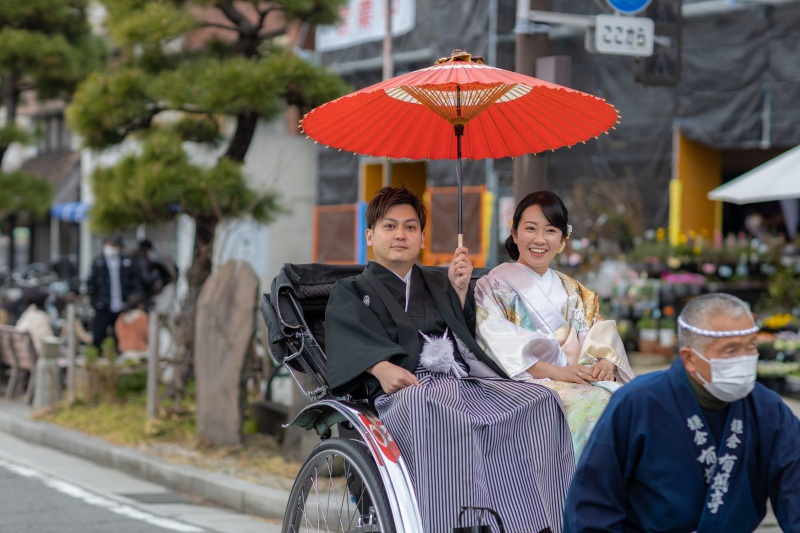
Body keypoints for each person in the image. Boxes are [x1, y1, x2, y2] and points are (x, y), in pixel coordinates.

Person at [326, 187, 575, 533]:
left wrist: (459, 293)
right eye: (390, 226)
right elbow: (348, 340)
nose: (401, 234)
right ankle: (456, 525)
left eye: (411, 227)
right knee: (437, 409)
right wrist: (380, 367)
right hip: (403, 392)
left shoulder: (438, 280)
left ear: (422, 237)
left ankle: (536, 522)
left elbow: (465, 335)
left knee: (540, 401)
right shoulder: (350, 291)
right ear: (370, 236)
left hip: (459, 380)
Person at [564, 293, 800, 532]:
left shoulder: (768, 409)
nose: (745, 359)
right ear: (689, 358)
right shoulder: (637, 403)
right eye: (730, 351)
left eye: (751, 348)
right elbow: (591, 506)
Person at [474, 191, 634, 458]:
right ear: (514, 234)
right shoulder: (492, 286)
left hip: (578, 377)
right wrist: (559, 372)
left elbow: (598, 333)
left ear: (563, 239)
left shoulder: (574, 289)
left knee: (630, 399)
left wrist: (606, 363)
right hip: (528, 381)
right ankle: (573, 486)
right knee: (595, 402)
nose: (539, 240)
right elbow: (493, 341)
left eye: (550, 230)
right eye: (530, 229)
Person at [86, 236, 134, 348]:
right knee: (99, 335)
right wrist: (95, 302)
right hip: (102, 306)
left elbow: (131, 281)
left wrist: (129, 300)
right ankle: (96, 358)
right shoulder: (98, 262)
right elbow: (91, 284)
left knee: (120, 336)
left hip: (120, 306)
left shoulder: (124, 261)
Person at [15, 290, 54, 358]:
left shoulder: (26, 314)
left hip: (21, 355)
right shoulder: (40, 317)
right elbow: (48, 341)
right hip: (33, 357)